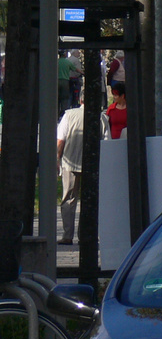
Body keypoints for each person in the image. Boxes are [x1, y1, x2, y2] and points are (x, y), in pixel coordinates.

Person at [57, 91, 84, 245]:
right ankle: (85, 235)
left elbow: (61, 140)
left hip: (70, 162)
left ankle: (68, 235)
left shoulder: (69, 115)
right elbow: (106, 140)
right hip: (92, 164)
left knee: (68, 199)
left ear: (80, 100)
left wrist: (58, 158)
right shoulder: (102, 117)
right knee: (89, 201)